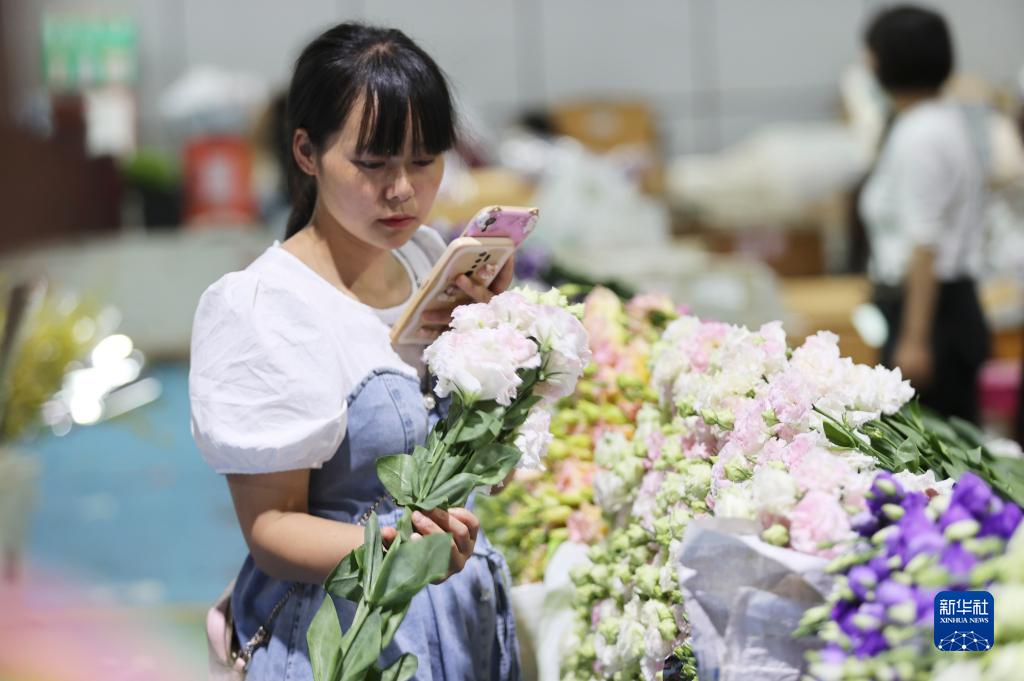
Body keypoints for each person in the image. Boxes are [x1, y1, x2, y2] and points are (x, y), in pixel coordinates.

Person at [189, 23, 519, 680]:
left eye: (424, 160)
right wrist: (394, 554)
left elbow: (485, 470)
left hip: (454, 614)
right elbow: (273, 529)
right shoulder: (264, 307)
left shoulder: (428, 257)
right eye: (372, 163)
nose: (402, 189)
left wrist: (493, 339)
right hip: (342, 635)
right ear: (306, 152)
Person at [860, 5, 990, 423]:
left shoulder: (922, 134)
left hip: (932, 316)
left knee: (932, 446)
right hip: (933, 308)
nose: (866, 62)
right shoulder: (933, 120)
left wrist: (914, 340)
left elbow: (924, 243)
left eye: (872, 52)